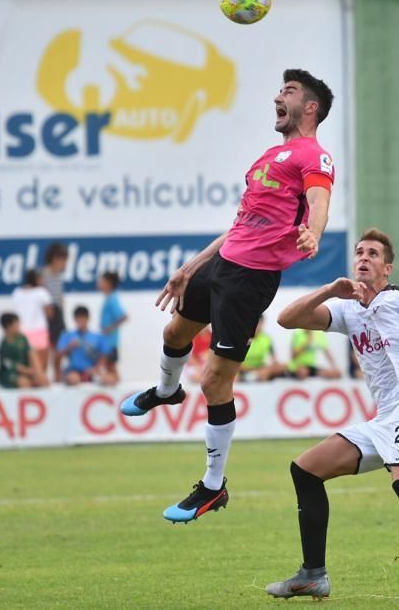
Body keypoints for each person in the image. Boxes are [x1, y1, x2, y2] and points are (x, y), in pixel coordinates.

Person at [119, 68, 336, 523]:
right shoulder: (269, 157)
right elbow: (241, 223)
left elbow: (319, 204)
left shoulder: (314, 156)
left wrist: (313, 234)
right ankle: (164, 391)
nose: (278, 96)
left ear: (310, 107)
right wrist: (189, 267)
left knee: (215, 382)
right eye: (279, 89)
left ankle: (213, 488)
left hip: (249, 280)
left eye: (289, 92)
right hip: (221, 265)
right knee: (174, 331)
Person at [265, 228, 399, 603]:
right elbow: (286, 319)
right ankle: (313, 575)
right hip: (384, 418)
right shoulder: (346, 310)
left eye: (373, 254)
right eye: (359, 252)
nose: (363, 257)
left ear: (386, 268)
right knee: (306, 470)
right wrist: (330, 290)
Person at [57, 306, 117, 386]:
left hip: (93, 371)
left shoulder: (97, 337)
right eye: (78, 318)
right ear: (75, 319)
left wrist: (97, 368)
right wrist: (70, 347)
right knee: (73, 379)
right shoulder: (67, 335)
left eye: (83, 318)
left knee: (110, 379)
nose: (81, 321)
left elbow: (105, 355)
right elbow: (58, 354)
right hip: (74, 371)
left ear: (88, 318)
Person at [12, 268, 54, 383]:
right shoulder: (41, 292)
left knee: (27, 366)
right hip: (39, 331)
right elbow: (50, 313)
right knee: (41, 367)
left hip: (22, 332)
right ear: (37, 279)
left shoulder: (17, 292)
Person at [43, 242, 69, 382]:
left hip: (58, 312)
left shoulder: (58, 275)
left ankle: (57, 374)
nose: (64, 264)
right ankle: (48, 375)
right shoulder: (44, 274)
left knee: (60, 346)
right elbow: (43, 294)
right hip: (49, 312)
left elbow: (59, 294)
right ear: (55, 259)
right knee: (49, 346)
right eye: (63, 260)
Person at [0, 312, 43, 389]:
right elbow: (12, 366)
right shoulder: (4, 347)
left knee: (42, 380)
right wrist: (31, 372)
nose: (19, 326)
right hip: (9, 374)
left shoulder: (22, 339)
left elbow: (31, 353)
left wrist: (38, 372)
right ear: (8, 327)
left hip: (28, 372)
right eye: (16, 324)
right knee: (24, 382)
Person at [98, 271, 128, 381]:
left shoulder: (112, 298)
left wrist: (110, 328)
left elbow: (124, 316)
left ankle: (115, 386)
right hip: (107, 341)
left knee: (110, 367)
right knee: (108, 367)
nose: (99, 283)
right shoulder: (108, 298)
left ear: (109, 283)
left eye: (102, 281)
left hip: (110, 341)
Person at [239, 315, 285, 382]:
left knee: (281, 367)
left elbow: (274, 360)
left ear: (262, 324)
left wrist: (274, 366)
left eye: (258, 323)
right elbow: (236, 364)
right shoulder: (242, 338)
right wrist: (255, 370)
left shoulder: (266, 338)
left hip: (261, 369)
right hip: (244, 370)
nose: (256, 326)